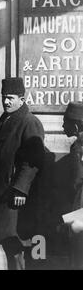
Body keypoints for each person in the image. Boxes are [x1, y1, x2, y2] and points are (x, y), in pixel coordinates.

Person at [0, 77, 45, 270]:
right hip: (3, 191)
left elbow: (32, 162)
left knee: (16, 244)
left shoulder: (29, 122)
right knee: (8, 243)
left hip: (15, 195)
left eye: (10, 98)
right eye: (3, 97)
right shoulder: (5, 120)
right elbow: (3, 151)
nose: (5, 101)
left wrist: (20, 190)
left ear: (22, 99)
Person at [62, 101, 83, 269]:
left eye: (66, 122)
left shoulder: (78, 146)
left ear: (76, 125)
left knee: (76, 249)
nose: (62, 126)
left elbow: (76, 180)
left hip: (80, 205)